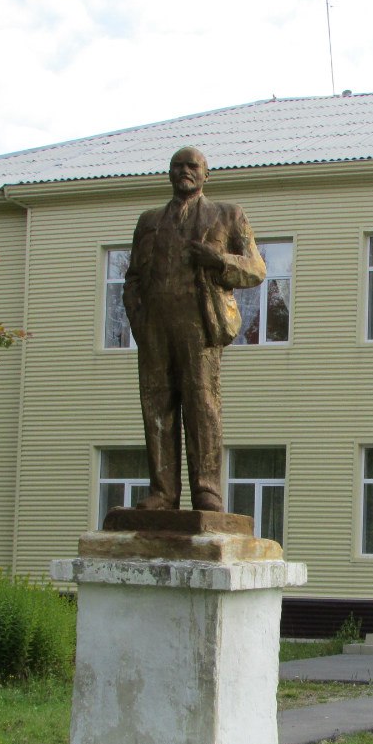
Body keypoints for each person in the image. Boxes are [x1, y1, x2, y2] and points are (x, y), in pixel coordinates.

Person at [122, 147, 265, 511]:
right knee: (156, 405)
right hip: (154, 324)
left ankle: (207, 489)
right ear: (169, 174)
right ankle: (163, 492)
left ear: (205, 175)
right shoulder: (149, 220)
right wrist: (138, 319)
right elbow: (133, 278)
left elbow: (256, 270)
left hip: (199, 322)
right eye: (177, 166)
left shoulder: (227, 215)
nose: (184, 171)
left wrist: (219, 260)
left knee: (202, 404)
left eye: (192, 166)